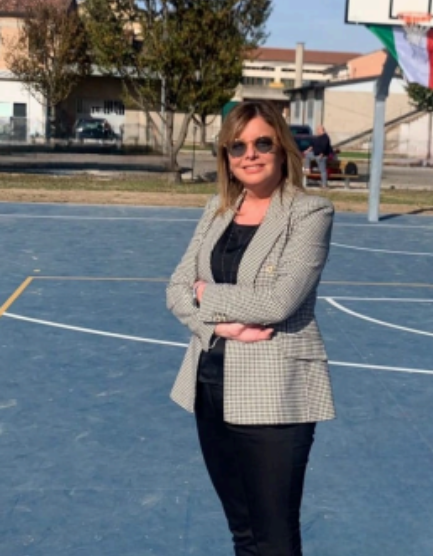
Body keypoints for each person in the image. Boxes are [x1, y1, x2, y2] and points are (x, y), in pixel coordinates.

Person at [166, 100, 335, 556]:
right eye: (237, 146)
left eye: (262, 142)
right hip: (210, 385)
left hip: (275, 392)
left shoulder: (310, 212)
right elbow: (175, 289)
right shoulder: (217, 210)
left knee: (274, 538)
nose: (250, 154)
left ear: (282, 148)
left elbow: (278, 302)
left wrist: (206, 294)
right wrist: (221, 329)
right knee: (242, 532)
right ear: (226, 156)